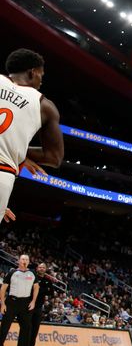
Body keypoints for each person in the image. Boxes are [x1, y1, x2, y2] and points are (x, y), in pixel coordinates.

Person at [1, 49, 64, 224]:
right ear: (32, 72)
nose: (41, 80)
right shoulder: (45, 105)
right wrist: (19, 151)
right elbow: (54, 157)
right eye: (41, 75)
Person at [0, 254, 39, 346]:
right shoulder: (12, 272)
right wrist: (3, 304)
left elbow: (36, 288)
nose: (24, 261)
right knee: (4, 327)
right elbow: (3, 289)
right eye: (22, 259)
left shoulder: (32, 273)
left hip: (25, 303)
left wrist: (33, 301)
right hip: (11, 302)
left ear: (29, 261)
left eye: (26, 259)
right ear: (19, 261)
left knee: (27, 328)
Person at [27, 262, 55, 346]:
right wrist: (43, 290)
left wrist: (40, 290)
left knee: (35, 329)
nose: (42, 269)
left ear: (46, 269)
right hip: (29, 305)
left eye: (43, 267)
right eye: (40, 267)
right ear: (37, 268)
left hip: (39, 307)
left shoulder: (48, 280)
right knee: (27, 328)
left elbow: (51, 293)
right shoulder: (32, 277)